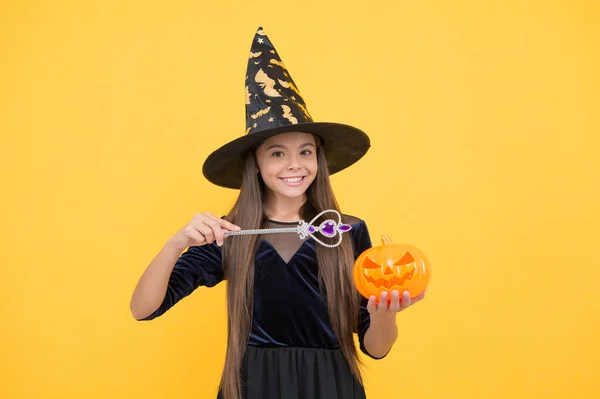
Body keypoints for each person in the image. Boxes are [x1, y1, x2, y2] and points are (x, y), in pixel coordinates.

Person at [130, 27, 425, 399]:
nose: (294, 165)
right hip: (254, 384)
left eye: (305, 151)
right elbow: (143, 309)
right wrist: (176, 244)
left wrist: (385, 314)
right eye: (277, 153)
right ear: (254, 163)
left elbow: (376, 347)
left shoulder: (346, 231)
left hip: (331, 385)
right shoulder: (231, 235)